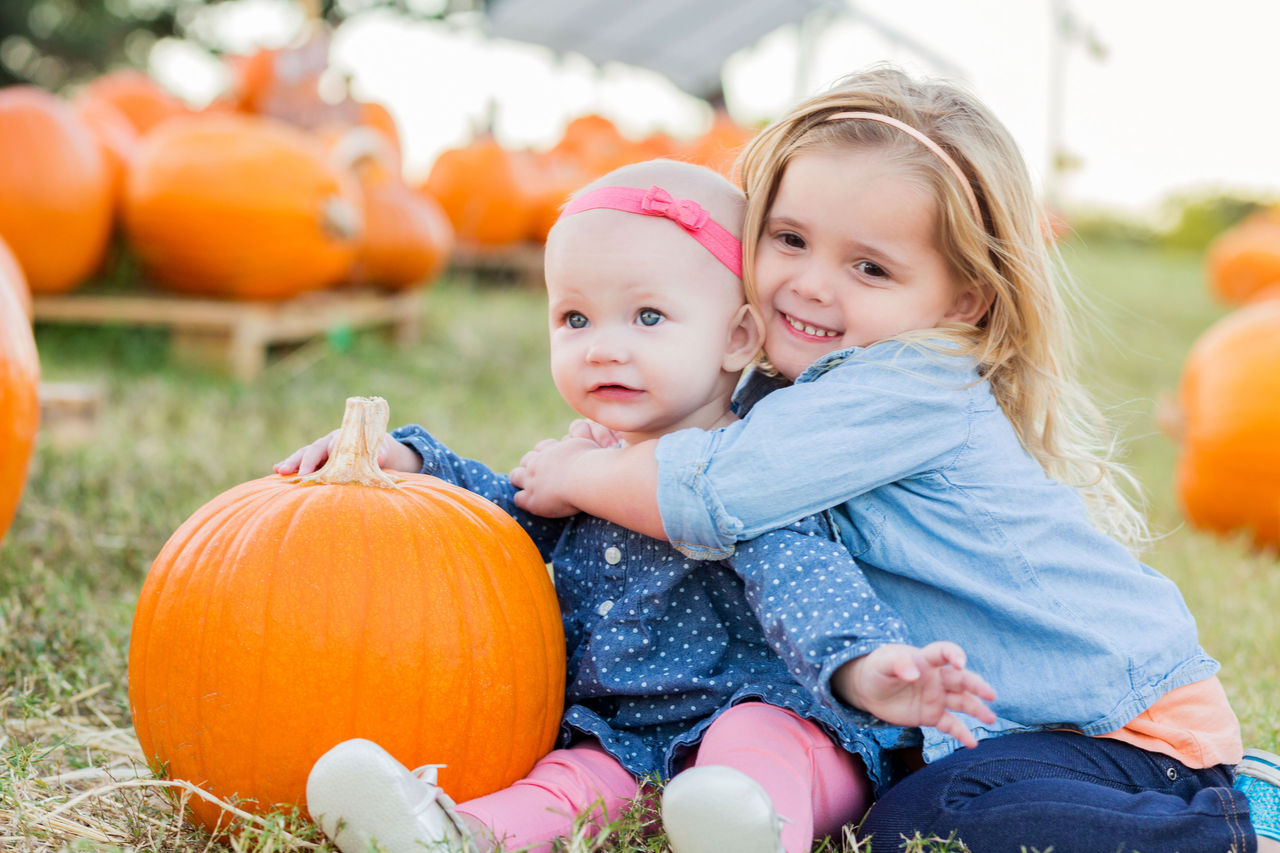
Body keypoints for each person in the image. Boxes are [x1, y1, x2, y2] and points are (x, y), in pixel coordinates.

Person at [507, 67, 1280, 852]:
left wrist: (579, 476)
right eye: (790, 239)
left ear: (961, 302)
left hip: (1127, 729)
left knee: (930, 821)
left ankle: (1231, 828)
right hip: (1017, 730)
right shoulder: (791, 388)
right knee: (914, 806)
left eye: (869, 267)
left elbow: (713, 493)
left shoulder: (908, 383)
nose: (809, 286)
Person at [274, 157, 997, 853]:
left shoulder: (746, 469)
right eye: (576, 320)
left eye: (647, 317)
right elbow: (503, 514)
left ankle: (755, 830)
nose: (602, 349)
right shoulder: (587, 463)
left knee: (753, 745)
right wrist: (413, 462)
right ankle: (451, 833)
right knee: (566, 783)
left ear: (737, 336)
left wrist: (865, 667)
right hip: (622, 731)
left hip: (774, 712)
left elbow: (803, 579)